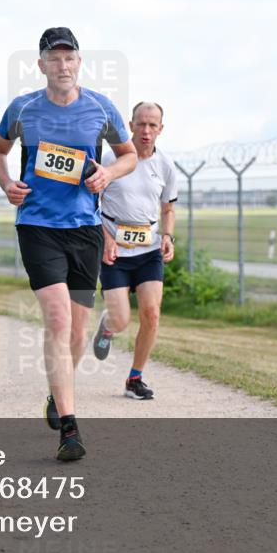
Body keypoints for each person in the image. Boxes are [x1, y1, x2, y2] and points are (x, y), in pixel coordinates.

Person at [0, 27, 136, 461]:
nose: (63, 65)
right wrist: (6, 183)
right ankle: (70, 429)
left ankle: (58, 392)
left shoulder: (100, 108)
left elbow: (127, 155)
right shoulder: (23, 108)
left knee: (77, 330)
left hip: (85, 229)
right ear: (41, 65)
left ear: (79, 62)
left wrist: (109, 174)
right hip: (37, 225)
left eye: (69, 57)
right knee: (56, 319)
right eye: (54, 58)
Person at [91, 102, 178, 401]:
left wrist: (168, 236)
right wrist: (106, 239)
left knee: (151, 313)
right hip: (114, 250)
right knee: (121, 319)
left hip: (148, 248)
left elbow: (168, 208)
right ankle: (108, 326)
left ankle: (135, 378)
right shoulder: (110, 160)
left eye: (153, 125)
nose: (146, 130)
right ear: (130, 125)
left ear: (161, 129)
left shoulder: (165, 165)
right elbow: (90, 206)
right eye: (141, 124)